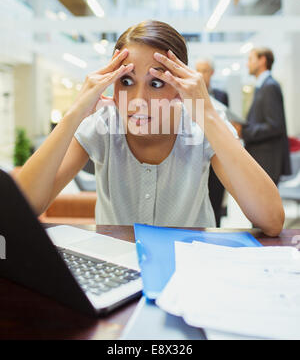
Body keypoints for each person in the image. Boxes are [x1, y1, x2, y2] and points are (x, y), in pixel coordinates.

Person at [16, 21, 284, 236]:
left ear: (180, 85)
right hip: (115, 268)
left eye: (156, 83)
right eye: (126, 81)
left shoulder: (199, 126)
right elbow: (22, 209)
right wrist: (74, 114)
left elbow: (271, 221)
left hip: (188, 268)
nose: (138, 101)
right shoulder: (103, 124)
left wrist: (209, 115)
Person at [237, 47, 291, 186]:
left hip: (268, 161)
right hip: (264, 160)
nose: (247, 64)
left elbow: (274, 126)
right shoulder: (263, 86)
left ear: (262, 60)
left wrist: (244, 131)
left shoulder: (269, 86)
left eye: (250, 59)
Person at [196, 58, 229, 227]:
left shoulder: (222, 95)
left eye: (205, 70)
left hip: (216, 152)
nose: (201, 74)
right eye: (198, 70)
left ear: (212, 73)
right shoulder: (188, 95)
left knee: (216, 197)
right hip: (197, 153)